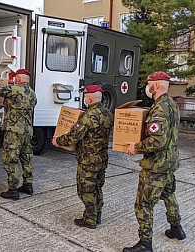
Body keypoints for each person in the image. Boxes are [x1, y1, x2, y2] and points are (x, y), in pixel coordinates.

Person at [123, 71, 186, 252]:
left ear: (156, 85)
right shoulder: (172, 104)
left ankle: (145, 244)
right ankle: (176, 228)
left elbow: (156, 140)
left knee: (143, 204)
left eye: (149, 83)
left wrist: (136, 147)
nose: (147, 86)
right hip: (169, 162)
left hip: (156, 165)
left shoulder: (159, 109)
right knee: (168, 194)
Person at [52, 84, 113, 229]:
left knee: (86, 189)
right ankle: (97, 215)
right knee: (97, 187)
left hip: (88, 160)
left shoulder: (88, 116)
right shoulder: (108, 113)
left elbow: (74, 137)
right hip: (101, 158)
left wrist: (58, 141)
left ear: (89, 98)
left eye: (86, 96)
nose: (85, 99)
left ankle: (90, 219)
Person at [0, 69, 37, 200]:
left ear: (19, 79)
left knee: (10, 160)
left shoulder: (13, 89)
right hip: (27, 132)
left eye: (16, 78)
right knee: (26, 158)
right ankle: (28, 185)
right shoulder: (33, 94)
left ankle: (13, 190)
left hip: (14, 131)